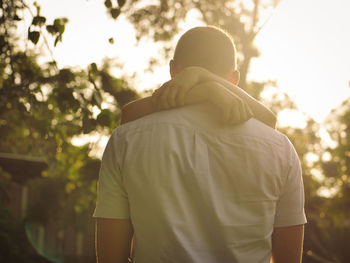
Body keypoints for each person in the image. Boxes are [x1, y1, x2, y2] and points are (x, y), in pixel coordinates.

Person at [94, 26, 307, 263]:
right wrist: (207, 86)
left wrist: (197, 79)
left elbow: (110, 258)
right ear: (234, 79)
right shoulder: (280, 149)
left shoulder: (126, 140)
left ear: (173, 70)